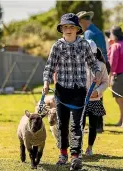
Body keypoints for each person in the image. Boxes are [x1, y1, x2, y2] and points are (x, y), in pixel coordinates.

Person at [42, 13, 101, 171]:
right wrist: (46, 82)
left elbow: (92, 62)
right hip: (62, 91)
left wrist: (96, 72)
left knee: (77, 125)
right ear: (61, 29)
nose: (68, 29)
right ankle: (62, 154)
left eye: (71, 27)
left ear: (77, 29)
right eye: (65, 27)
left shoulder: (83, 45)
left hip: (79, 91)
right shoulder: (57, 46)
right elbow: (49, 67)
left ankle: (75, 156)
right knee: (62, 125)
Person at [76, 11, 110, 133]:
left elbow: (89, 52)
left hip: (96, 65)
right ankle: (98, 125)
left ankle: (96, 125)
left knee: (93, 95)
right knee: (98, 95)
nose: (78, 25)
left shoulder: (89, 33)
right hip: (103, 64)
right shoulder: (97, 30)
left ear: (83, 21)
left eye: (79, 22)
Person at [83, 39, 108, 156]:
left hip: (95, 101)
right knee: (79, 125)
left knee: (93, 126)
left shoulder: (101, 65)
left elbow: (105, 82)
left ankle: (89, 148)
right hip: (80, 101)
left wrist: (97, 92)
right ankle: (77, 147)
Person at [108, 26, 123, 127]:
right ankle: (121, 120)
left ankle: (122, 121)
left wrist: (109, 76)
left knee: (119, 98)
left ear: (114, 35)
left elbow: (113, 63)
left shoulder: (116, 46)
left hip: (119, 75)